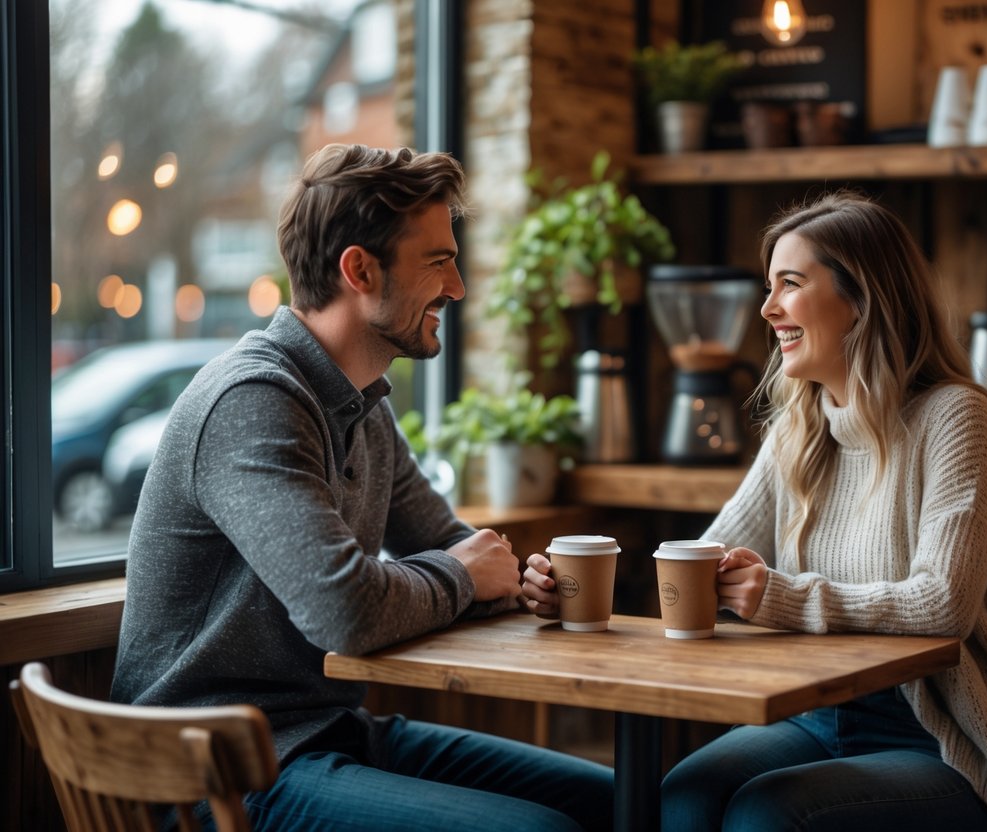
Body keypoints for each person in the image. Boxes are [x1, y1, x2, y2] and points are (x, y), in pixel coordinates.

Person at [112, 143, 613, 832]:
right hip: (213, 775)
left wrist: (516, 580)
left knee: (620, 800)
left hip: (324, 733)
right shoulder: (253, 400)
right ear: (359, 269)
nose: (459, 287)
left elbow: (449, 545)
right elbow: (343, 611)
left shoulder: (361, 405)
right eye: (438, 261)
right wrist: (465, 577)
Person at [522, 191, 987, 831]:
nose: (766, 310)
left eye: (789, 285)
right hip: (817, 714)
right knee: (685, 792)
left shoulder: (954, 416)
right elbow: (704, 556)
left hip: (939, 741)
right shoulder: (801, 423)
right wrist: (572, 584)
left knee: (767, 814)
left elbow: (944, 603)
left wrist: (784, 596)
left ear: (863, 299)